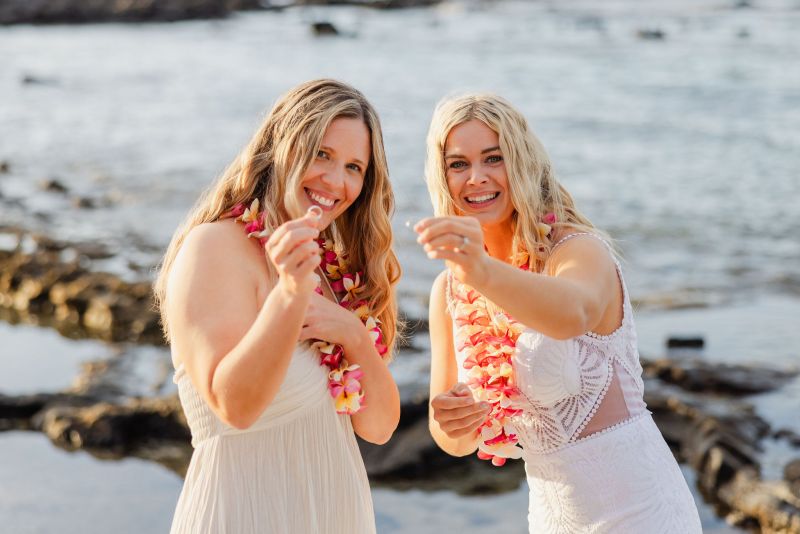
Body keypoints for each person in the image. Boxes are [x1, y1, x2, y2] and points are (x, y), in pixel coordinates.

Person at [415, 93, 701, 533]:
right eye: (458, 164)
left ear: (523, 162)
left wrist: (481, 270)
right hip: (552, 516)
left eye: (495, 158)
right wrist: (453, 421)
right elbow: (452, 439)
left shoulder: (576, 250)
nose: (476, 177)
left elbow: (574, 314)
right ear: (442, 175)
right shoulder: (450, 290)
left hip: (642, 510)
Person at [153, 79, 401, 534]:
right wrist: (289, 293)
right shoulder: (213, 248)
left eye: (354, 167)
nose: (335, 181)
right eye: (321, 154)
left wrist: (352, 334)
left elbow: (380, 428)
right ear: (281, 146)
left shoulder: (330, 266)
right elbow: (236, 406)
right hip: (247, 515)